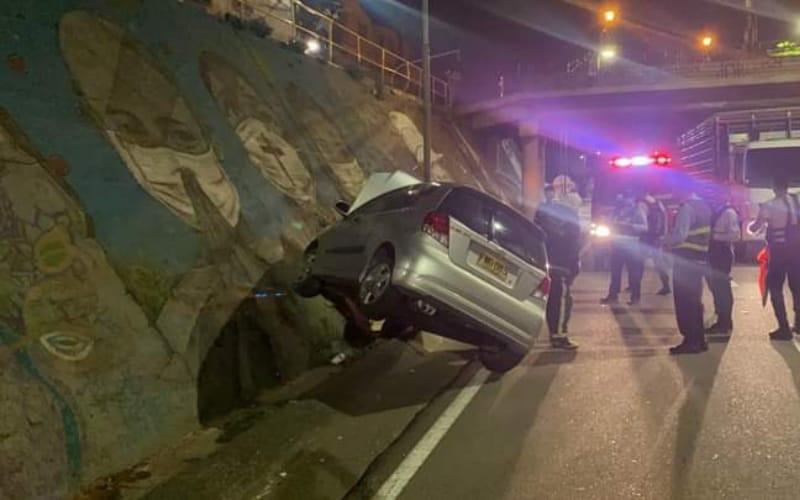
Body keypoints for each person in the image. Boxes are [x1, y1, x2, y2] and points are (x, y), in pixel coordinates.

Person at [747, 174, 800, 339]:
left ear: (774, 188)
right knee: (797, 288)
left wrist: (753, 224)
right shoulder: (797, 202)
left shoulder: (770, 205)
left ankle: (783, 328)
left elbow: (755, 228)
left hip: (778, 252)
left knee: (775, 288)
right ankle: (798, 323)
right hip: (797, 251)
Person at [666, 184, 712, 354]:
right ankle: (699, 339)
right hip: (700, 259)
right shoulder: (704, 206)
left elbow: (680, 236)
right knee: (695, 301)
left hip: (685, 259)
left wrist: (665, 241)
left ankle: (690, 341)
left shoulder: (686, 208)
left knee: (684, 302)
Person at [535, 184, 580, 350]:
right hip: (562, 265)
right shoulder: (568, 218)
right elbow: (572, 243)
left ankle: (555, 333)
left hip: (549, 262)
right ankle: (559, 336)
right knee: (561, 300)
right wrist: (574, 265)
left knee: (554, 300)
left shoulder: (543, 213)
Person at [600, 193, 648, 305]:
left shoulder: (637, 211)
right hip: (617, 245)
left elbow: (645, 227)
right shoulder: (616, 211)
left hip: (631, 245)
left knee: (633, 272)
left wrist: (630, 226)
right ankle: (613, 295)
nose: (623, 200)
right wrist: (607, 222)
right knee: (615, 272)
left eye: (627, 197)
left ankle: (635, 297)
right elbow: (609, 223)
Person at [705, 189, 741, 334]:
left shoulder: (729, 213)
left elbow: (735, 235)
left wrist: (714, 236)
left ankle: (724, 322)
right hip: (715, 252)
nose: (717, 196)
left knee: (722, 288)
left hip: (722, 252)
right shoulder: (717, 211)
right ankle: (723, 319)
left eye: (720, 193)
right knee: (716, 287)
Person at [640, 191, 672, 296]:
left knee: (638, 262)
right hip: (657, 237)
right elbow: (664, 219)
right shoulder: (658, 203)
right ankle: (666, 285)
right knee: (659, 262)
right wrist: (664, 235)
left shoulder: (642, 203)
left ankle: (634, 286)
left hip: (646, 237)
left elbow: (642, 221)